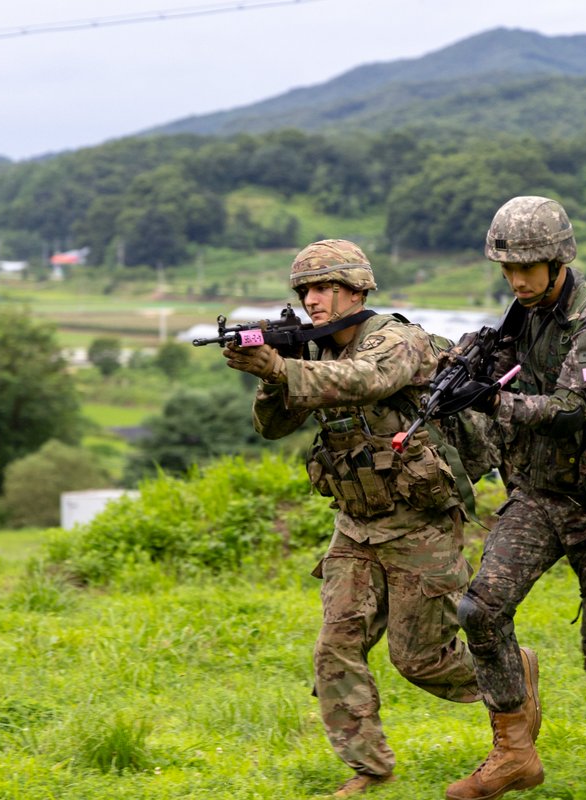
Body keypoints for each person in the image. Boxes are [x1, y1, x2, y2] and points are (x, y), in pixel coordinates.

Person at [225, 239, 490, 798]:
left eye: (325, 288)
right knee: (335, 648)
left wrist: (283, 365)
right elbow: (271, 427)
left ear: (356, 289)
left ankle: (510, 678)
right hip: (355, 524)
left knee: (421, 660)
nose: (314, 300)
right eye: (306, 291)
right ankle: (370, 767)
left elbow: (366, 380)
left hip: (420, 522)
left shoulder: (396, 339)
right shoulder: (314, 354)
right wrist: (274, 374)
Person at [444, 196, 586, 800]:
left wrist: (492, 402)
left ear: (559, 259)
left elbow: (572, 410)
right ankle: (514, 753)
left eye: (530, 267)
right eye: (508, 269)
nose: (517, 280)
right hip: (541, 494)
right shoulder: (524, 313)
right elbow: (508, 371)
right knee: (480, 610)